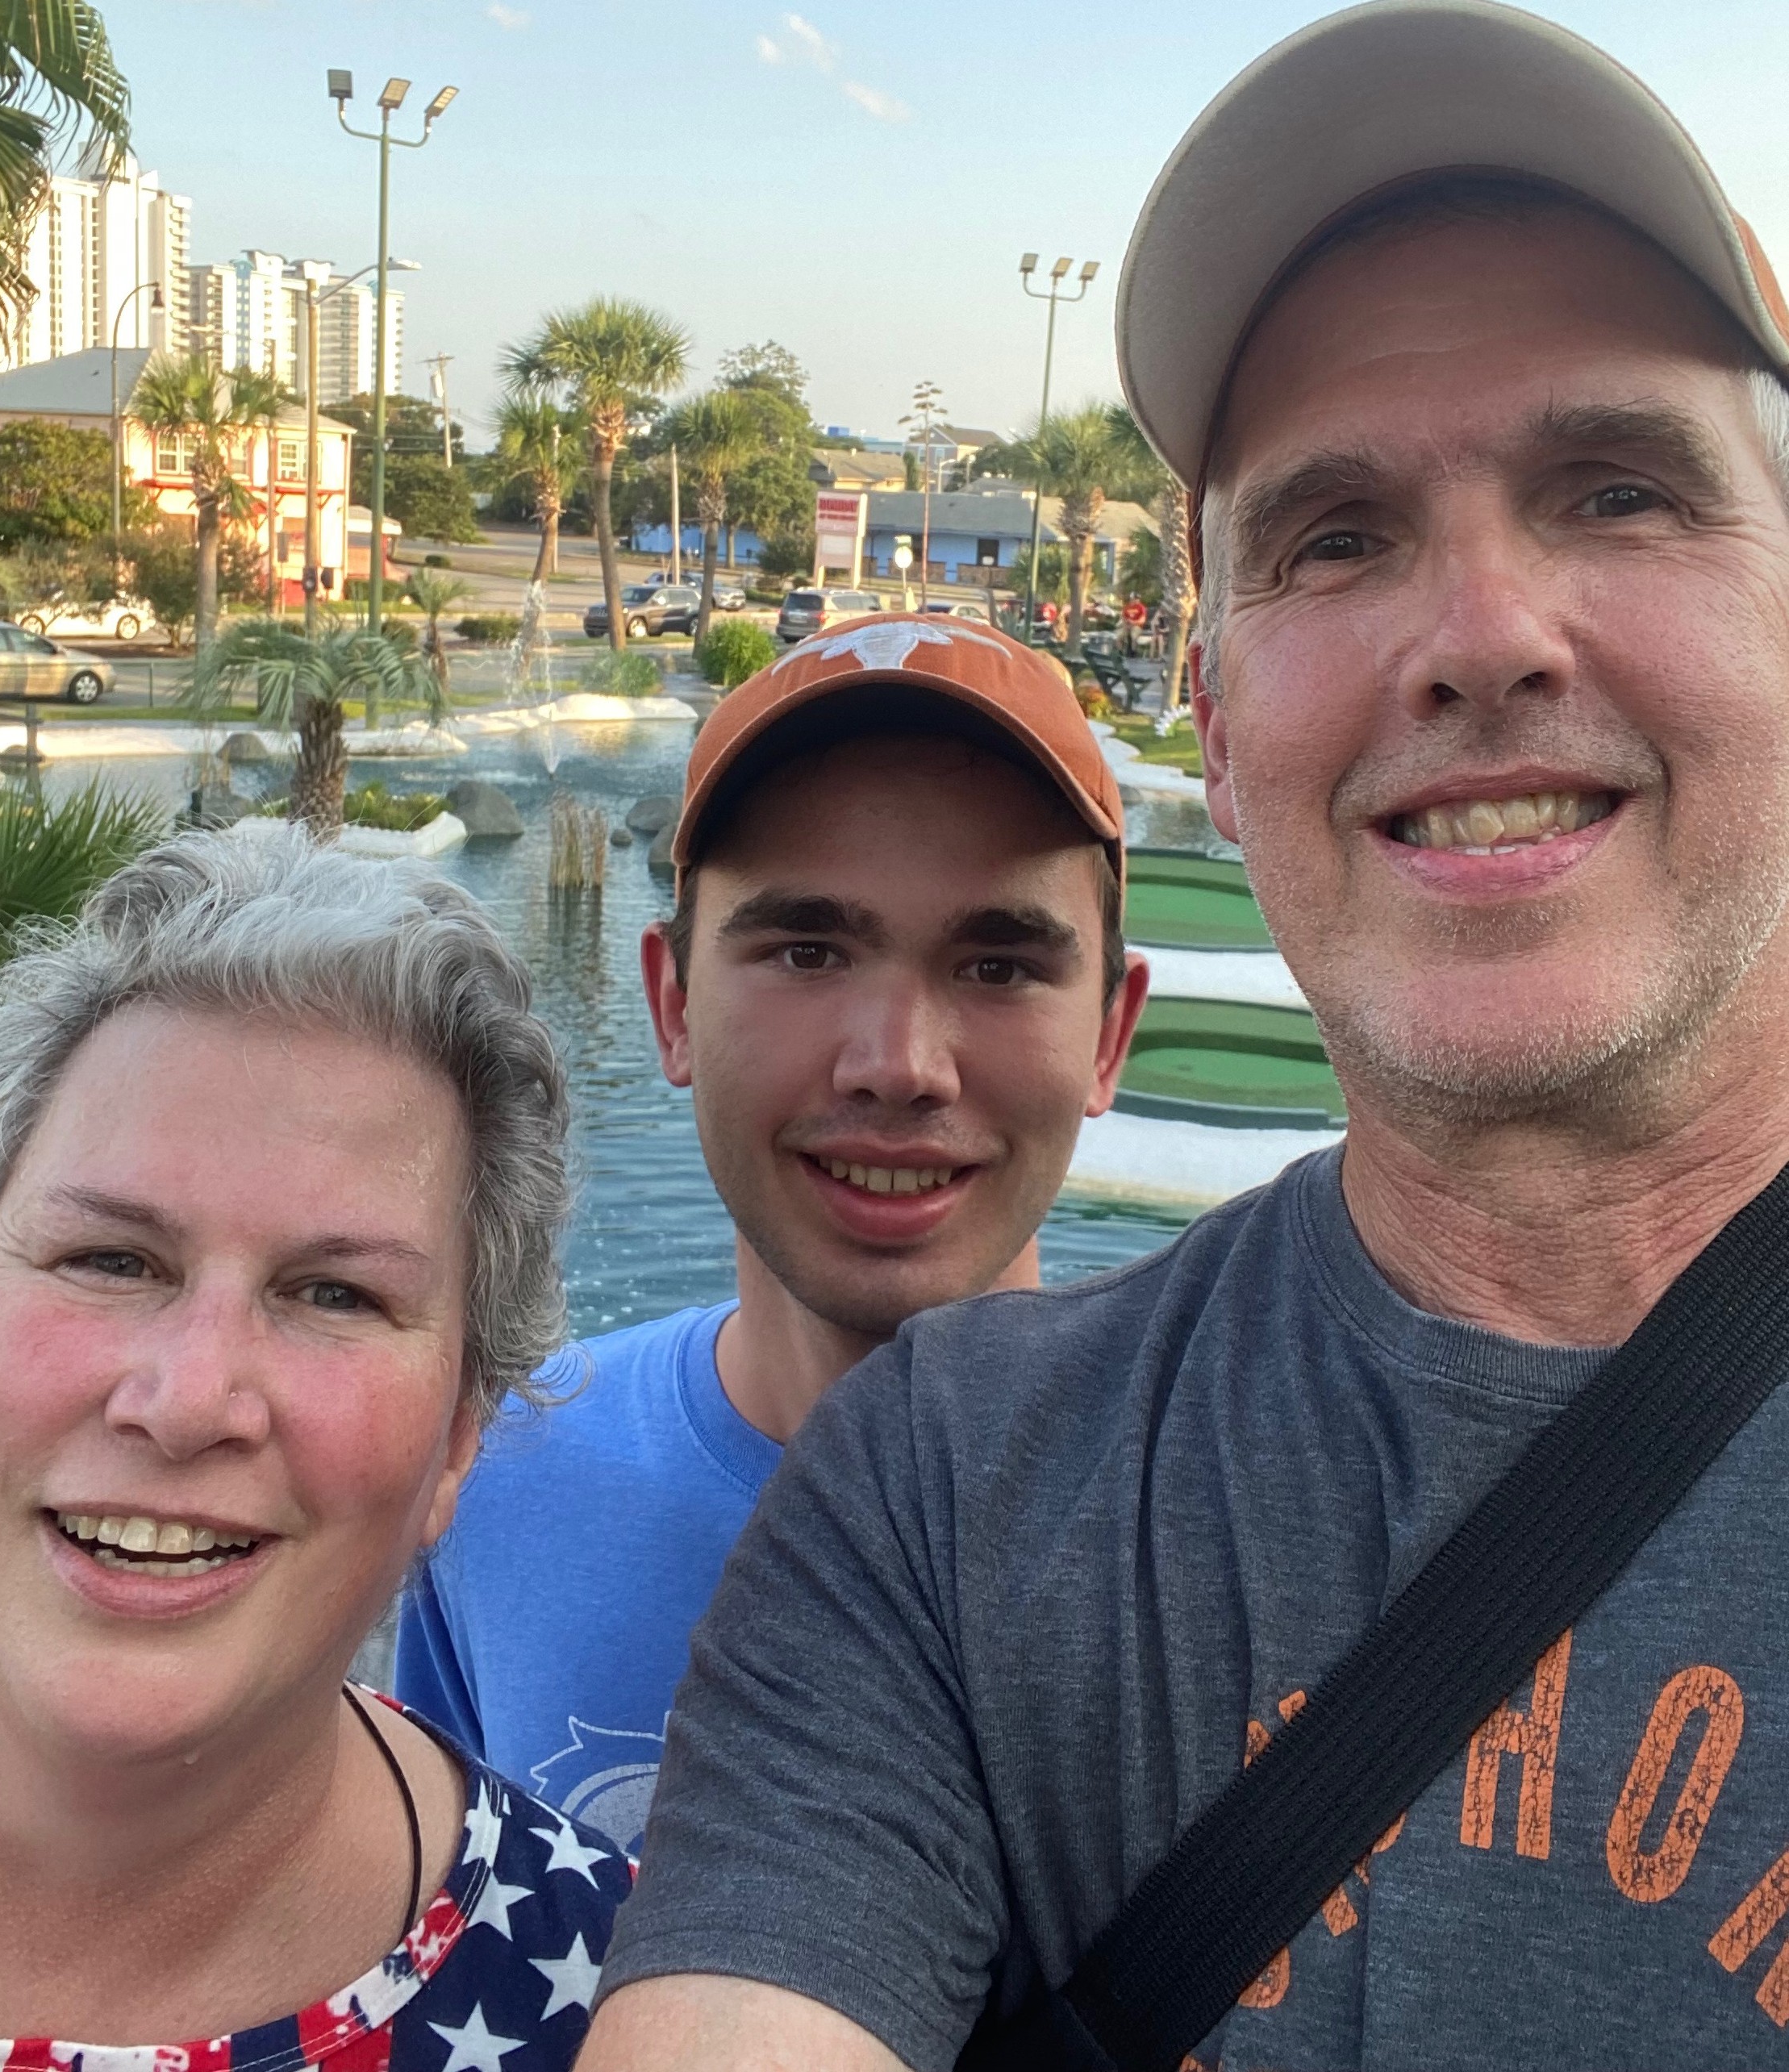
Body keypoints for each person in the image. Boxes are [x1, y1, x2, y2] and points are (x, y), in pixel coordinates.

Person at [578, 6, 1789, 2069]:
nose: (1481, 634)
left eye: (1616, 490)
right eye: (1335, 538)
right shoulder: (945, 1501)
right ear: (1217, 739)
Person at [394, 617, 1151, 1849]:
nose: (898, 1066)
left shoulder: (1239, 1524)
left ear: (1110, 1035)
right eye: (808, 949)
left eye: (1000, 966)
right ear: (673, 1003)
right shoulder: (496, 1479)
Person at [0, 833, 631, 2062]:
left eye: (335, 1295)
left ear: (458, 1445)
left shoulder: (614, 2010)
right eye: (109, 1258)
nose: (189, 1399)